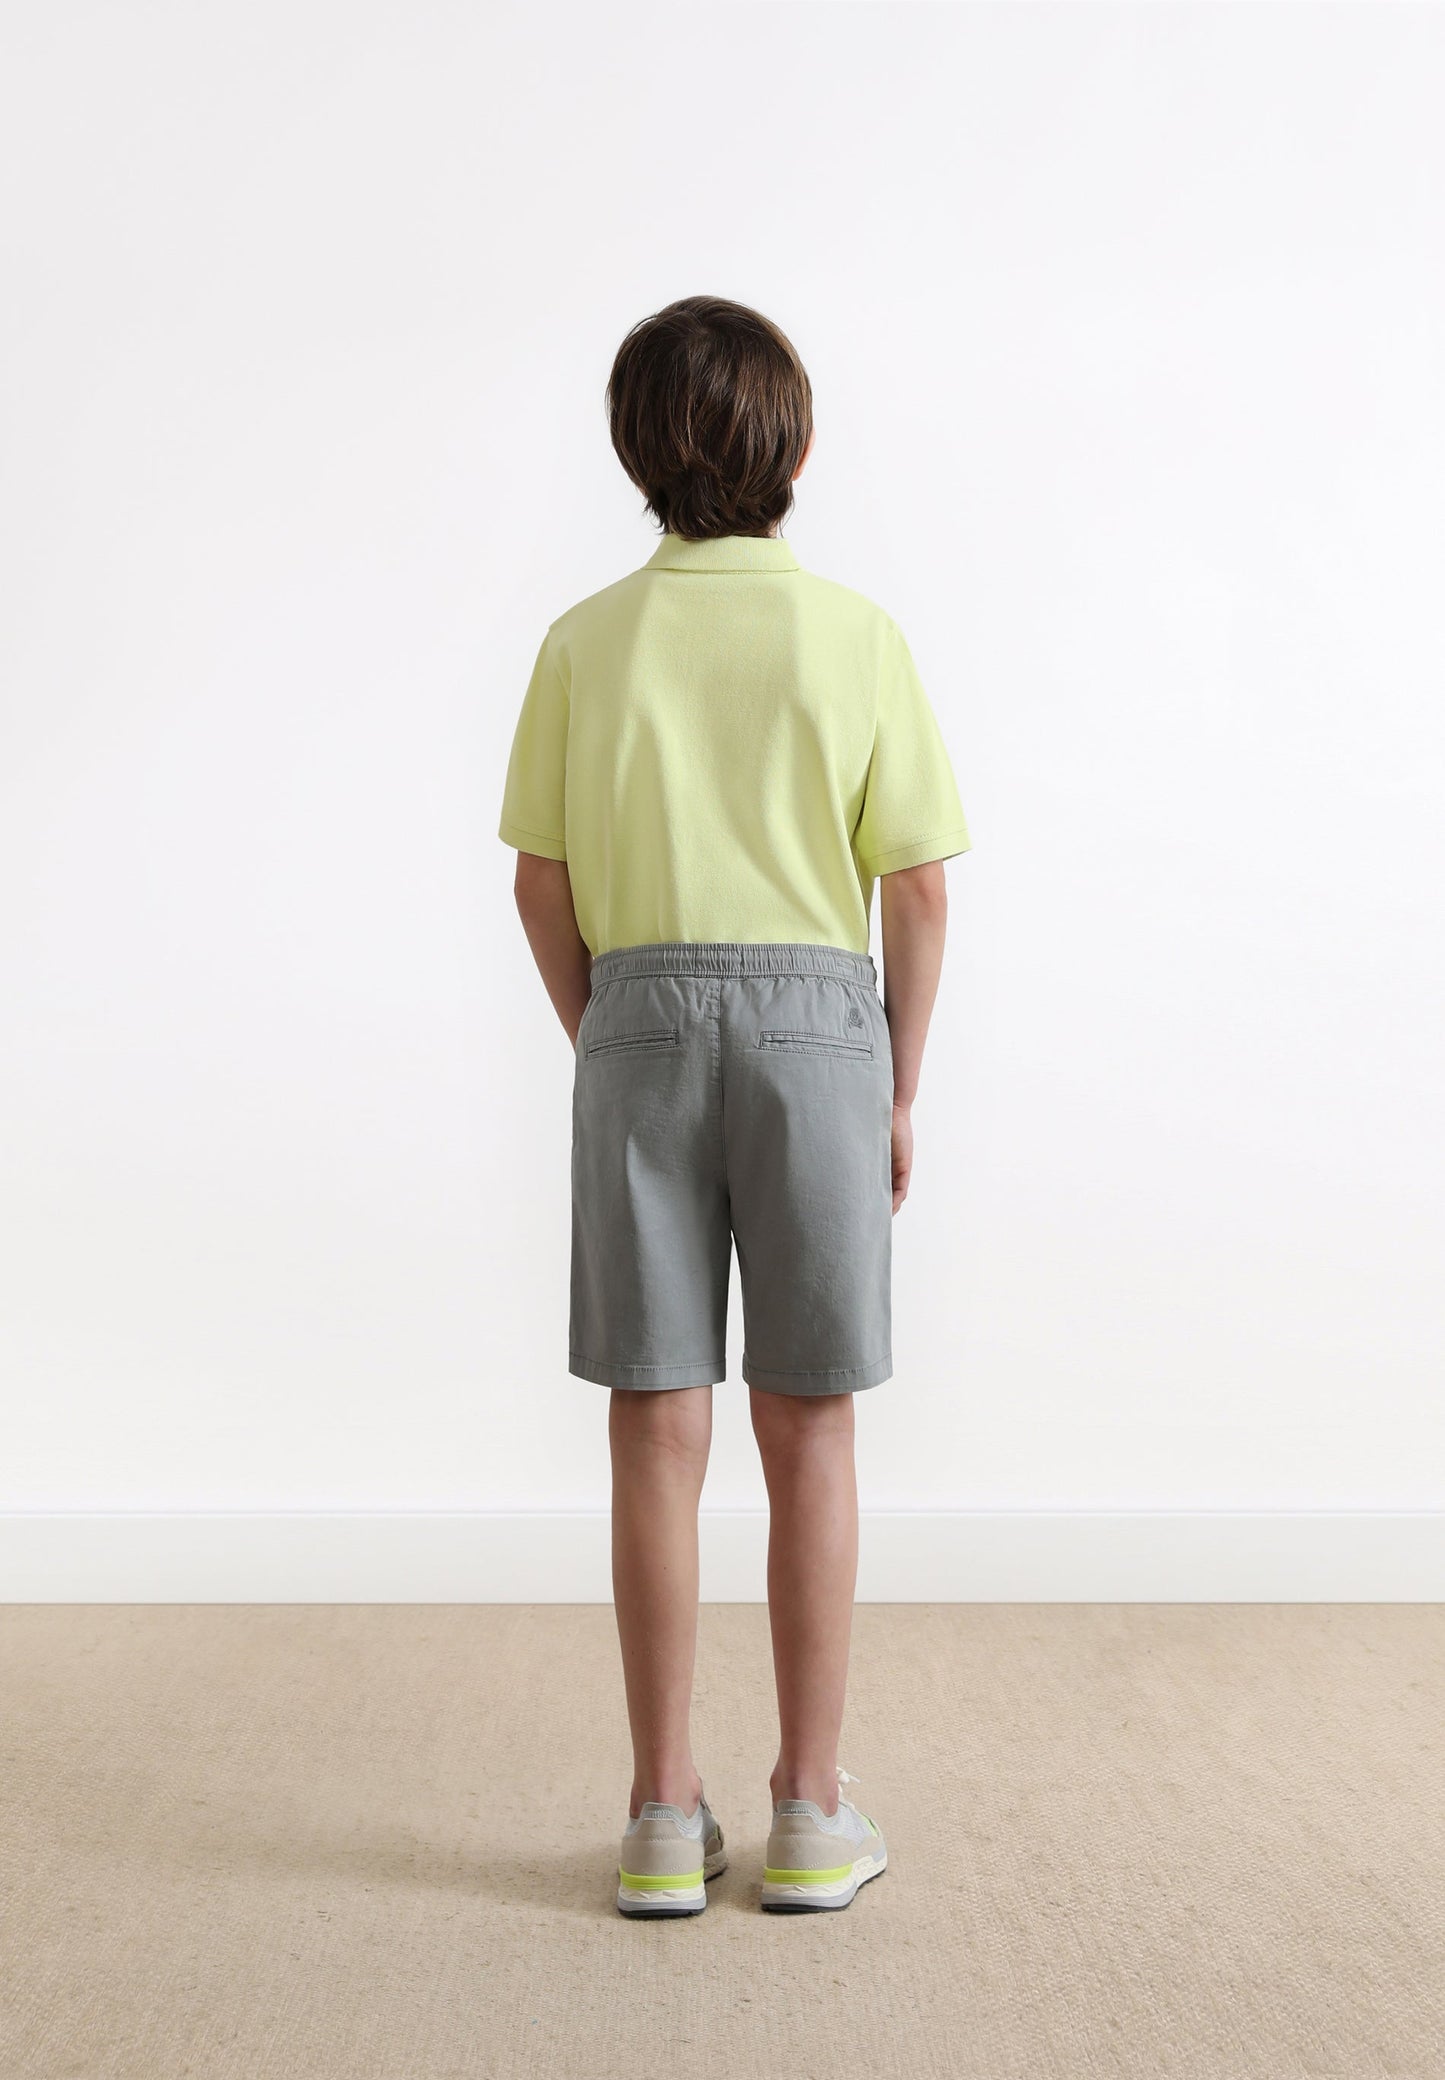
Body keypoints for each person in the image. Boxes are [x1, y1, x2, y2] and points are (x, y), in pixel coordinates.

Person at [498, 294, 970, 1917]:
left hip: (636, 1016)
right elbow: (915, 887)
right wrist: (895, 1081)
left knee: (655, 1416)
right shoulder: (854, 635)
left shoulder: (584, 640)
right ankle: (810, 1810)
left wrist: (607, 1034)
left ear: (631, 451)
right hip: (820, 1029)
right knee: (809, 1416)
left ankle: (657, 1814)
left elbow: (541, 882)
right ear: (800, 445)